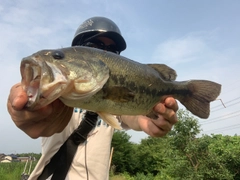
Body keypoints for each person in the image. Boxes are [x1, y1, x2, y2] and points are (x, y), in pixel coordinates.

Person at [7, 16, 178, 180]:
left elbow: (130, 116)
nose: (104, 52)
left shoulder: (112, 103)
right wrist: (24, 110)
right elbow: (25, 101)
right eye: (93, 45)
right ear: (78, 49)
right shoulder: (55, 97)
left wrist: (148, 120)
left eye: (113, 51)